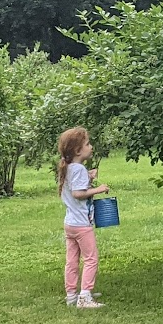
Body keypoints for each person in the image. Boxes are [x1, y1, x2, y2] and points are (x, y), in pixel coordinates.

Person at [56, 126, 111, 309]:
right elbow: (78, 193)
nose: (91, 146)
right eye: (87, 144)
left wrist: (89, 177)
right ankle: (85, 296)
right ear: (78, 150)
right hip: (81, 225)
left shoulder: (69, 167)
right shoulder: (78, 169)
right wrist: (99, 189)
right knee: (91, 258)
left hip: (70, 224)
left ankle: (71, 295)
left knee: (72, 260)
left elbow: (74, 186)